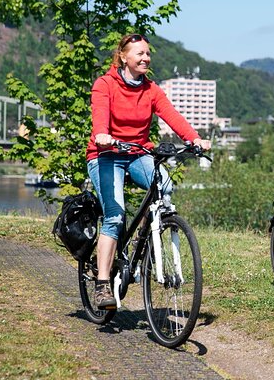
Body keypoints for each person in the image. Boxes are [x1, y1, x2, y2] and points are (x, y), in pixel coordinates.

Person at [86, 33, 211, 309]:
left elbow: (172, 115)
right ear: (123, 57)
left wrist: (194, 138)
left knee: (164, 187)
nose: (145, 58)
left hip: (138, 153)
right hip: (106, 154)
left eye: (147, 53)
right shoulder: (105, 84)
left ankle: (146, 238)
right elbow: (100, 116)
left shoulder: (150, 89)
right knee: (115, 217)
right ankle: (103, 283)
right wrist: (102, 135)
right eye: (139, 54)